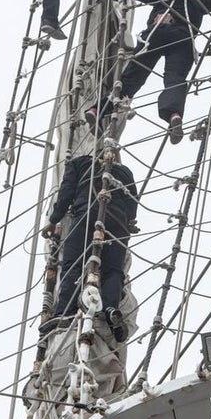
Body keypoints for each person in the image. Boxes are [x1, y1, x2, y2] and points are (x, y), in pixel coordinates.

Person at [86, 0, 211, 144]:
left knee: (132, 77)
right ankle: (174, 115)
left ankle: (96, 109)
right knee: (175, 79)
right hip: (182, 38)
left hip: (155, 33)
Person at [40, 142, 138, 342]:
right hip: (118, 223)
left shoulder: (80, 163)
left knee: (73, 264)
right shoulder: (125, 172)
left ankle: (65, 313)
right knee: (113, 270)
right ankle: (111, 307)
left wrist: (53, 220)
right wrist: (127, 222)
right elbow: (132, 204)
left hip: (86, 216)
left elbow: (66, 193)